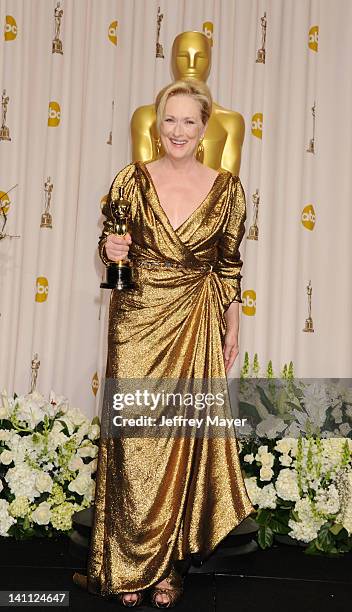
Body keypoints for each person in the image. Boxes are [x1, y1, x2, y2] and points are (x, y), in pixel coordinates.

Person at [73, 79, 255, 608]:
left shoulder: (227, 189)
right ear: (158, 124)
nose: (178, 131)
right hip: (136, 317)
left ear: (204, 130)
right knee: (134, 442)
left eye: (189, 122)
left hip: (195, 317)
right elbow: (111, 252)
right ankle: (126, 566)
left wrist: (232, 324)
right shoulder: (130, 180)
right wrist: (107, 250)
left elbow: (227, 266)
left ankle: (168, 568)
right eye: (170, 120)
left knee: (179, 444)